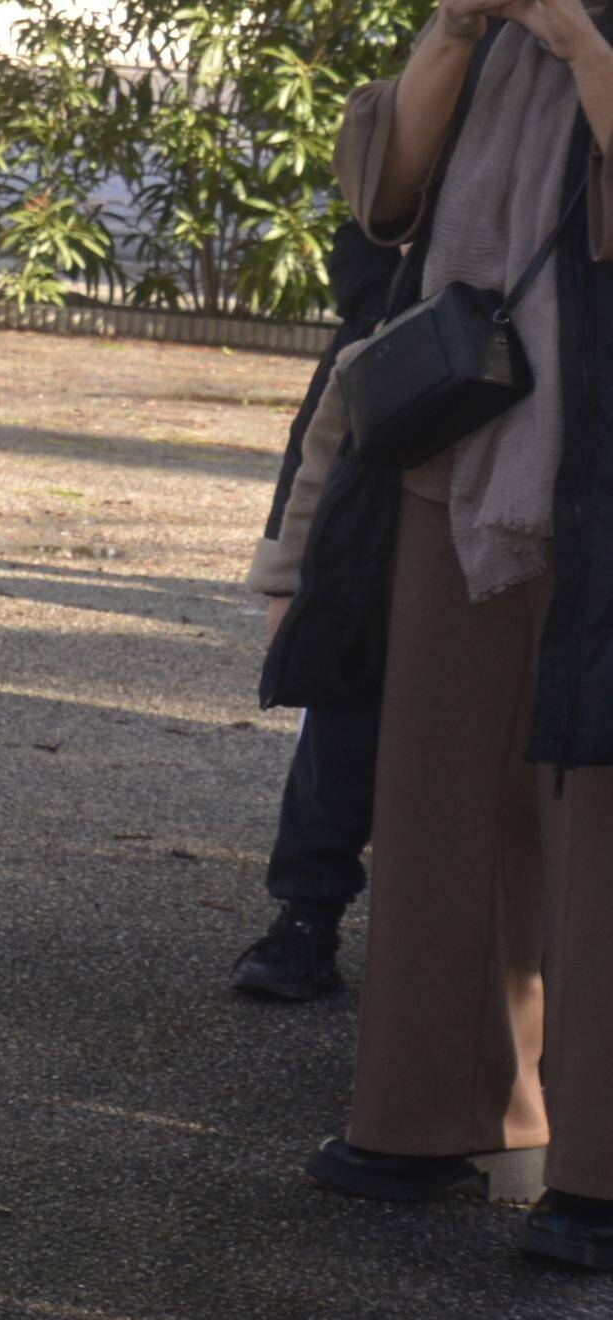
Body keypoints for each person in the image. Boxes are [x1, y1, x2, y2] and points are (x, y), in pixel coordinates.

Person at [269, 0, 613, 1271]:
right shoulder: (510, 3)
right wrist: (454, 35)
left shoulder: (570, 12)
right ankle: (430, 1112)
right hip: (464, 454)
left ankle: (596, 1165)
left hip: (600, 474)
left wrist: (577, 34)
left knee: (600, 816)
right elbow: (387, 200)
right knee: (438, 802)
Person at [235, 210, 408, 1003]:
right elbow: (322, 433)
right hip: (376, 526)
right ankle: (306, 918)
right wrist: (287, 577)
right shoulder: (390, 277)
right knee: (343, 711)